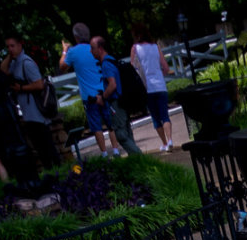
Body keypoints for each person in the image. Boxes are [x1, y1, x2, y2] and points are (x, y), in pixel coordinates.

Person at [62, 22, 121, 158]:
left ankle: (104, 153)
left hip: (89, 96)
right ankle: (116, 150)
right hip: (104, 92)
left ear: (76, 37)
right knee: (110, 124)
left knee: (96, 127)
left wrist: (64, 50)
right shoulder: (94, 49)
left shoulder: (73, 52)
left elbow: (62, 66)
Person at [1, 33, 57, 174]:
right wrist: (9, 55)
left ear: (20, 45)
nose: (10, 49)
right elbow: (2, 70)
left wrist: (21, 88)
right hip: (27, 114)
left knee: (47, 147)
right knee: (39, 148)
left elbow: (39, 84)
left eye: (12, 46)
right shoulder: (14, 63)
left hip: (37, 112)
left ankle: (57, 172)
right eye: (8, 47)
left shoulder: (27, 63)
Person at [91, 35, 138, 155]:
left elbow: (112, 85)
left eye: (93, 48)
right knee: (127, 133)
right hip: (122, 101)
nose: (91, 51)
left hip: (116, 104)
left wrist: (102, 97)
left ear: (100, 49)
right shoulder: (112, 59)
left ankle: (141, 158)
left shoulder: (106, 64)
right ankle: (138, 161)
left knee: (121, 136)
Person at [130, 23, 174, 150]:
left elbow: (133, 68)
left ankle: (164, 143)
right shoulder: (155, 47)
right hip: (160, 85)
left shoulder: (135, 48)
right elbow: (165, 67)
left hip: (146, 87)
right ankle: (170, 140)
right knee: (164, 115)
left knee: (155, 117)